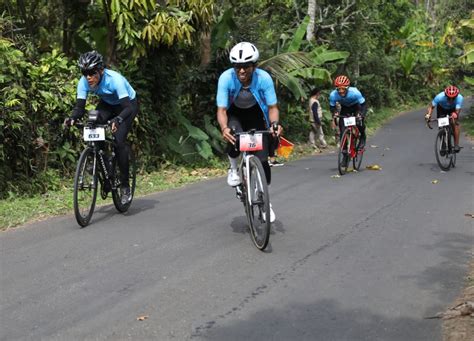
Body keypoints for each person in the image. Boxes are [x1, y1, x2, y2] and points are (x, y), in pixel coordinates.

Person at [216, 42, 282, 222]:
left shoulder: (264, 78)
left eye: (246, 66)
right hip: (235, 113)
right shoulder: (226, 78)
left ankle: (263, 198)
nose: (241, 71)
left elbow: (272, 107)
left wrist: (275, 124)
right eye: (237, 67)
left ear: (254, 66)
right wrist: (224, 128)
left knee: (262, 159)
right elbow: (221, 110)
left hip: (256, 114)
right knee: (233, 136)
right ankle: (233, 169)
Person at [63, 50, 138, 205]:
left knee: (118, 141)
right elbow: (79, 108)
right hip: (108, 104)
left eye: (92, 73)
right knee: (93, 121)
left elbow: (128, 108)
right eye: (85, 73)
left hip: (127, 105)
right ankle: (103, 159)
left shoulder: (115, 80)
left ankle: (125, 186)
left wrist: (117, 120)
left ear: (101, 70)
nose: (88, 77)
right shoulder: (83, 82)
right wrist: (72, 118)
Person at [329, 75, 367, 155]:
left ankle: (362, 137)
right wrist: (335, 113)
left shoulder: (355, 92)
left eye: (343, 89)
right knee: (342, 129)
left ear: (347, 88)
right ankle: (345, 152)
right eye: (339, 89)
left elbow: (364, 105)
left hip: (356, 107)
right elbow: (332, 107)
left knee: (359, 122)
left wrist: (362, 115)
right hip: (345, 108)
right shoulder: (333, 95)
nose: (341, 91)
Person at [425, 85, 464, 152]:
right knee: (441, 125)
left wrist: (455, 114)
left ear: (456, 96)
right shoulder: (439, 97)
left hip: (453, 109)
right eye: (449, 98)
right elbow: (431, 107)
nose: (451, 100)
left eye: (453, 98)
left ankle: (456, 144)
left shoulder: (460, 98)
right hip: (442, 109)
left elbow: (457, 109)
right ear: (445, 95)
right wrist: (428, 115)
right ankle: (443, 142)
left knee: (454, 123)